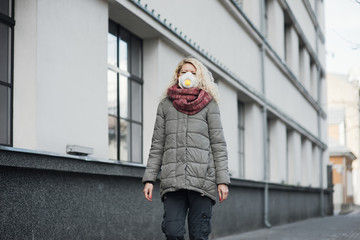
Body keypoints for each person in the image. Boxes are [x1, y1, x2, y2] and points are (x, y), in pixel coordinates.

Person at [142, 57, 230, 240]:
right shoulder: (165, 105)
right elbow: (157, 144)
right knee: (173, 234)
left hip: (203, 183)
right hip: (173, 182)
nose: (188, 75)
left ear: (200, 76)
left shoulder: (209, 105)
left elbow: (218, 145)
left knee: (199, 235)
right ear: (177, 75)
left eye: (193, 72)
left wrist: (222, 180)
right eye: (184, 72)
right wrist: (149, 178)